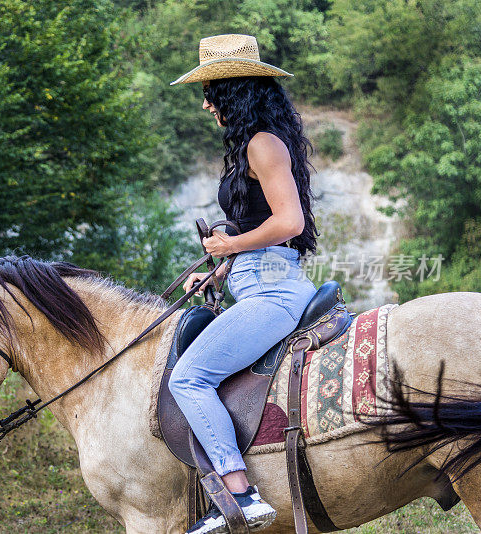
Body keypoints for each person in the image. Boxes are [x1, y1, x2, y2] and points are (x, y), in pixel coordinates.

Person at [167, 34, 320, 533]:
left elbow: (289, 222)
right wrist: (219, 262)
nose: (207, 104)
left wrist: (230, 247)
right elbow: (257, 225)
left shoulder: (261, 144)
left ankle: (240, 495)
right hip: (255, 281)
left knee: (187, 378)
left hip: (274, 289)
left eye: (212, 92)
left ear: (235, 91)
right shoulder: (255, 145)